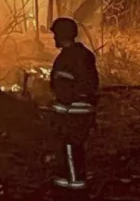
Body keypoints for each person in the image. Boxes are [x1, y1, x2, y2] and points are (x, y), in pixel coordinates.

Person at [48, 17, 99, 194]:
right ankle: (64, 183)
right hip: (80, 112)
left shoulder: (67, 58)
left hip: (73, 114)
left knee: (71, 148)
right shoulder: (83, 55)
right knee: (71, 149)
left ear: (61, 35)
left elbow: (64, 90)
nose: (53, 38)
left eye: (55, 34)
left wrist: (57, 109)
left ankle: (76, 188)